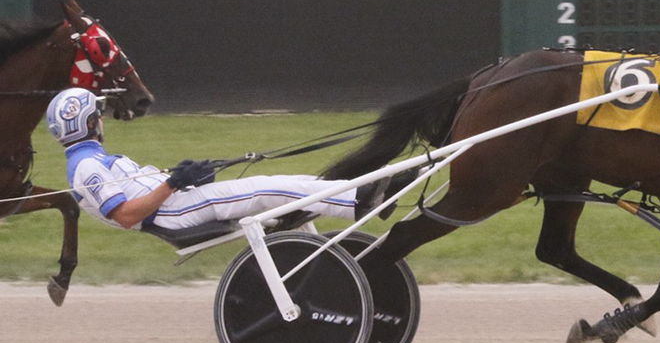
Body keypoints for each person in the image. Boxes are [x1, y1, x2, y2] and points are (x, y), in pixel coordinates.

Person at [46, 88, 413, 232]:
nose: (102, 120)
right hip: (173, 214)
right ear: (87, 122)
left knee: (284, 181)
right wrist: (173, 184)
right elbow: (125, 215)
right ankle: (360, 200)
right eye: (97, 114)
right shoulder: (86, 168)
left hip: (176, 202)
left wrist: (186, 178)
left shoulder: (92, 160)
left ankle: (358, 196)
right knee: (270, 187)